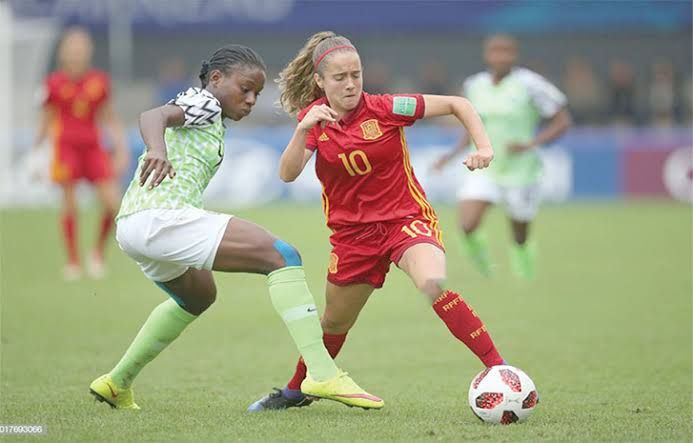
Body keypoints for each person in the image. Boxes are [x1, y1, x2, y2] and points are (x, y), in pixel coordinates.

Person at [88, 44, 383, 411]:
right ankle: (322, 373)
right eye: (244, 89)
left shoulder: (209, 116)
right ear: (216, 78)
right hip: (161, 218)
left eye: (256, 93)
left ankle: (116, 383)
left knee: (198, 296)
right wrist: (156, 150)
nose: (250, 100)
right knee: (282, 256)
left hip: (134, 225)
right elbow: (153, 116)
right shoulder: (205, 103)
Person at [248, 31, 504, 412]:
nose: (350, 84)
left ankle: (500, 369)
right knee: (334, 324)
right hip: (353, 238)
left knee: (432, 282)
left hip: (405, 220)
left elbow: (457, 104)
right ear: (320, 80)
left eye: (356, 74)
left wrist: (483, 146)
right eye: (340, 77)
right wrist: (302, 129)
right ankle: (295, 390)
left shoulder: (387, 107)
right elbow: (287, 174)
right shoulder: (314, 120)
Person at [433, 34, 571, 279]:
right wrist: (452, 155)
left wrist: (531, 144)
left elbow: (562, 121)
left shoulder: (531, 84)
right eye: (495, 52)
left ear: (514, 55)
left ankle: (522, 256)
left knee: (519, 231)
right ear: (486, 55)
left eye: (506, 52)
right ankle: (484, 263)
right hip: (484, 166)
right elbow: (471, 126)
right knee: (467, 224)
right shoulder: (474, 85)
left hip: (520, 169)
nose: (500, 57)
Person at [34, 27, 130, 280]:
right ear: (63, 51)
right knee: (70, 204)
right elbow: (45, 120)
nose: (77, 52)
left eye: (81, 47)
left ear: (89, 51)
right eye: (72, 47)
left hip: (93, 148)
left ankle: (97, 254)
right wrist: (35, 153)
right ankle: (73, 261)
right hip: (65, 148)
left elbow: (110, 117)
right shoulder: (53, 83)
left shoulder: (100, 81)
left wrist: (121, 149)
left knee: (112, 204)